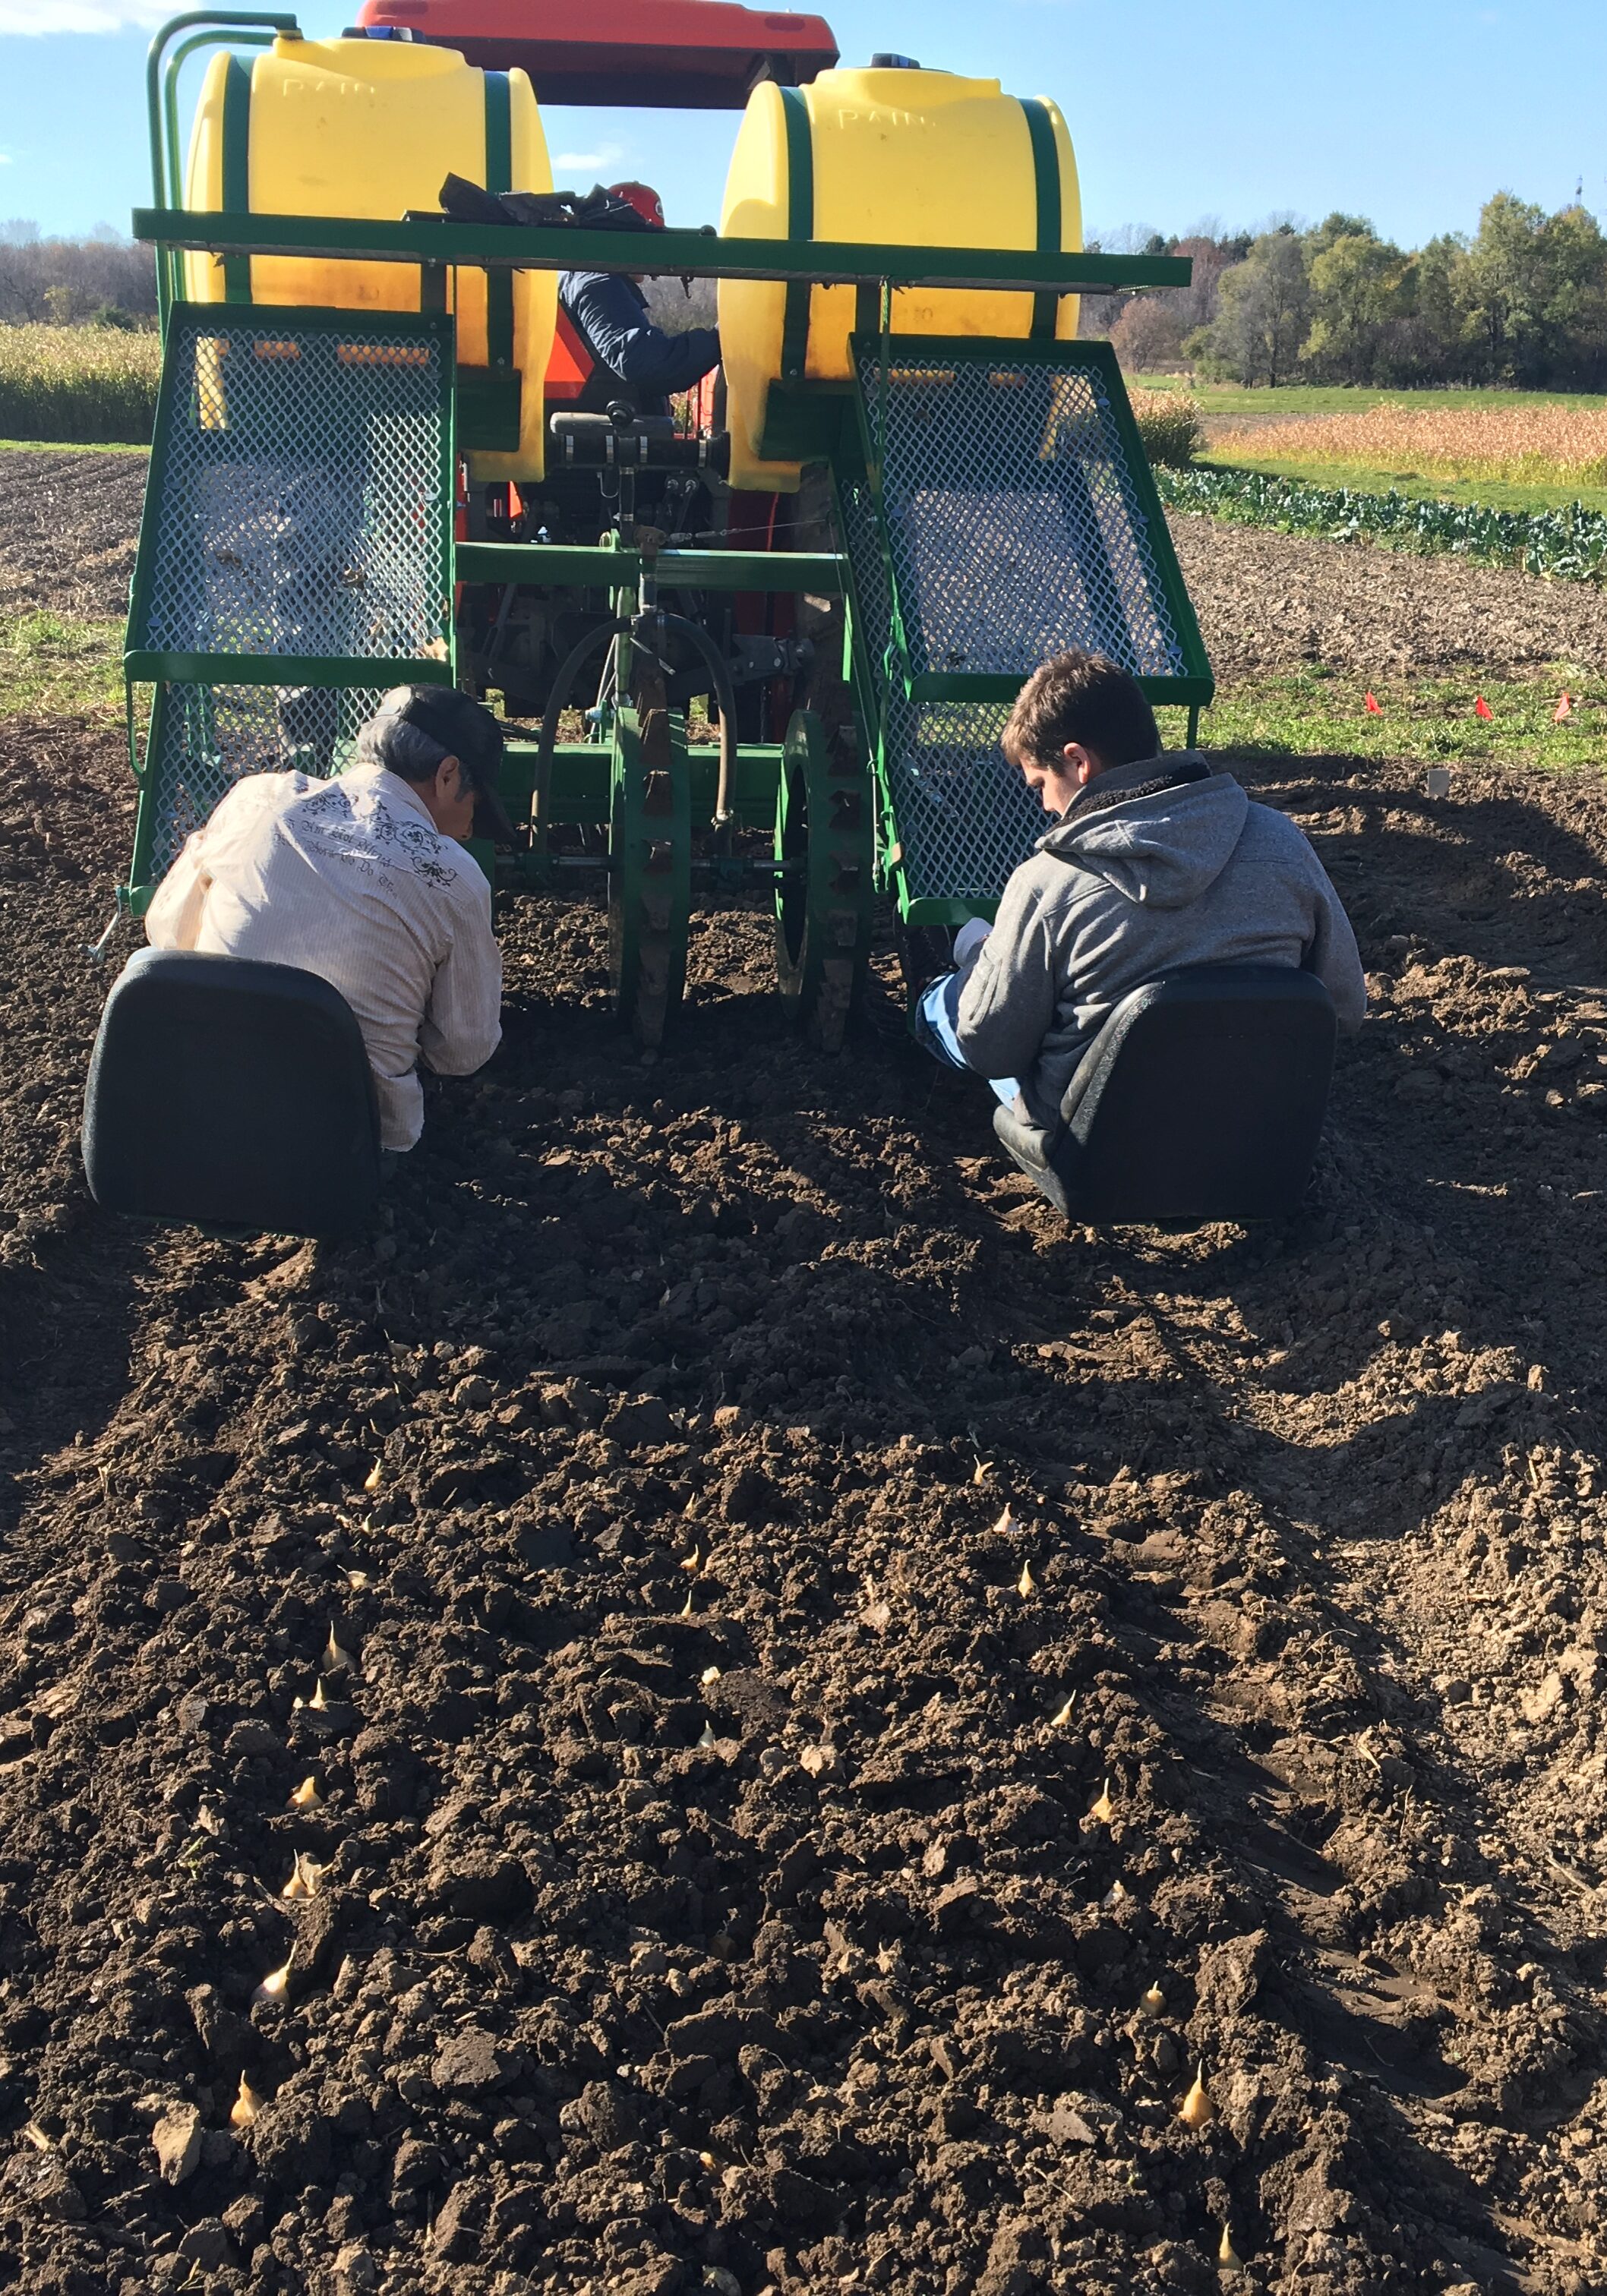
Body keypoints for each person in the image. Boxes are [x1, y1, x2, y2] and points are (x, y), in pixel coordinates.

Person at [914, 649, 1366, 1143]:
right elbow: (1343, 1006)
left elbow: (991, 1052)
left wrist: (985, 961)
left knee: (946, 1005)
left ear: (1078, 762)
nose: (1044, 804)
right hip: (1255, 1125)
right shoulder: (1283, 842)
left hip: (1104, 1146)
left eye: (1040, 784)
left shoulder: (1046, 883)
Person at [144, 686, 508, 1158]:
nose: (469, 828)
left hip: (194, 1120)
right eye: (475, 804)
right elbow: (461, 1053)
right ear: (447, 774)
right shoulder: (452, 876)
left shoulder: (257, 799)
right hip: (340, 1154)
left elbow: (167, 929)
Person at [559, 181, 721, 418]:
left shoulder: (593, 280)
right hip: (604, 442)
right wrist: (720, 339)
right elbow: (647, 365)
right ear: (624, 239)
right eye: (648, 240)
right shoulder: (598, 284)